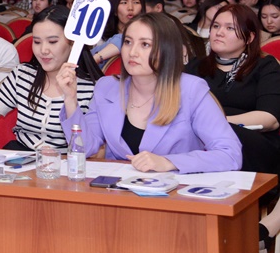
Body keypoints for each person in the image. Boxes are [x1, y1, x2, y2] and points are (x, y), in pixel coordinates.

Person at [62, 12, 242, 173]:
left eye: (145, 44)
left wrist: (168, 162)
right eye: (128, 42)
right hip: (118, 191)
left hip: (176, 192)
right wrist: (70, 99)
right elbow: (85, 148)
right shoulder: (106, 87)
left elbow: (230, 154)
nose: (132, 52)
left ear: (167, 51)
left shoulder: (191, 90)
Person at [0, 6, 101, 150]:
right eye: (37, 42)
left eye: (52, 42)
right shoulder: (22, 76)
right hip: (22, 159)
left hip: (66, 161)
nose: (43, 50)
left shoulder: (93, 89)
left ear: (72, 43)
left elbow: (86, 148)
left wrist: (71, 99)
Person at [184, 4, 280, 175]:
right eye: (216, 26)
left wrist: (217, 124)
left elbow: (269, 118)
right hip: (199, 139)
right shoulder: (195, 67)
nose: (219, 32)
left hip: (251, 141)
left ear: (249, 37)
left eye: (230, 28)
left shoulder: (265, 66)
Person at [92, 0, 144, 66]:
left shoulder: (148, 35)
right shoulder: (100, 36)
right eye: (124, 2)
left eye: (136, 2)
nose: (130, 8)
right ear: (115, 10)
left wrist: (98, 57)